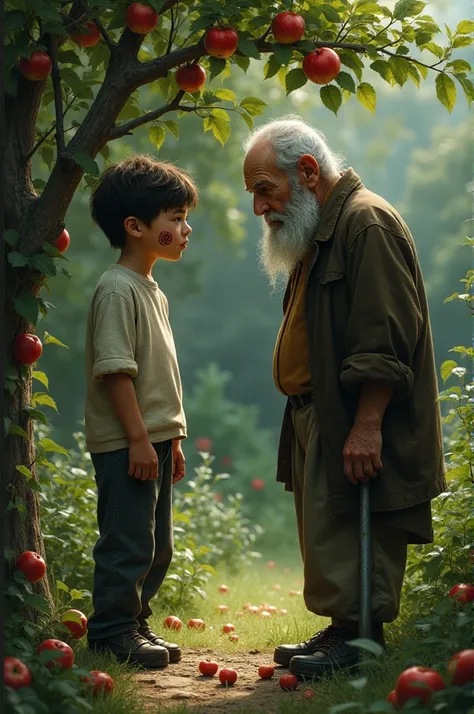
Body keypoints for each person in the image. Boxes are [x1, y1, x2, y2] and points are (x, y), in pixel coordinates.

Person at [243, 116, 446, 680]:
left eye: (265, 189)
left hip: (357, 415)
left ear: (307, 172)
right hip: (317, 412)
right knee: (330, 527)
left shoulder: (366, 223)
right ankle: (344, 627)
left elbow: (384, 339)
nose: (260, 207)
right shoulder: (320, 230)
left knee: (360, 521)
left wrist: (368, 423)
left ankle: (360, 642)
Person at [84, 155, 196, 669]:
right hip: (125, 443)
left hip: (152, 441)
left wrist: (170, 440)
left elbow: (158, 378)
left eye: (183, 217)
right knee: (126, 543)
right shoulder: (116, 289)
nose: (184, 228)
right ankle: (110, 632)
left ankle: (134, 624)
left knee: (156, 547)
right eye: (173, 218)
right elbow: (117, 372)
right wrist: (136, 439)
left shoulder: (153, 290)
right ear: (135, 227)